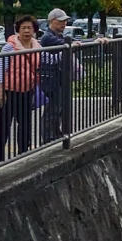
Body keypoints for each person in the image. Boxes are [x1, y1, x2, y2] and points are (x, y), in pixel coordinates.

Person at [0, 14, 42, 162]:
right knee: (4, 124)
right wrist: (1, 90)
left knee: (25, 123)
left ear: (34, 30)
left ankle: (23, 152)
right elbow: (1, 68)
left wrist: (70, 49)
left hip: (27, 90)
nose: (27, 31)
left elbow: (47, 58)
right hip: (10, 90)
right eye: (23, 28)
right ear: (18, 30)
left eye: (29, 28)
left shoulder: (37, 46)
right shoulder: (9, 47)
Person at [38, 9, 80, 144]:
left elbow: (72, 42)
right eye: (60, 21)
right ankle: (48, 137)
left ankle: (55, 133)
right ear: (51, 21)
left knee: (60, 106)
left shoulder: (58, 35)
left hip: (58, 76)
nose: (64, 23)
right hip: (50, 77)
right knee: (54, 107)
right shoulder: (48, 37)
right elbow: (68, 45)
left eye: (65, 21)